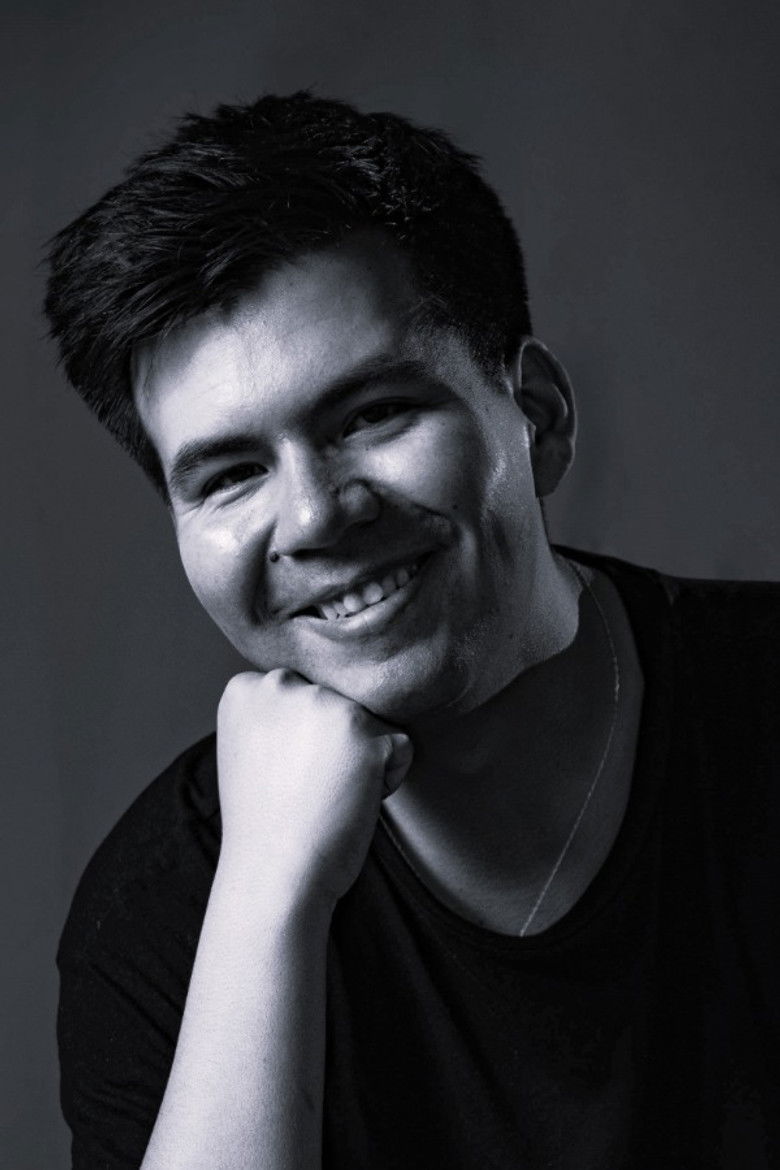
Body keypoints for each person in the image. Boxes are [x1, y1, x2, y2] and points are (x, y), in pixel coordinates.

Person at [45, 91, 778, 1170]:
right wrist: (268, 894)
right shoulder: (158, 915)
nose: (313, 517)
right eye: (230, 474)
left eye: (371, 414)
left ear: (537, 415)